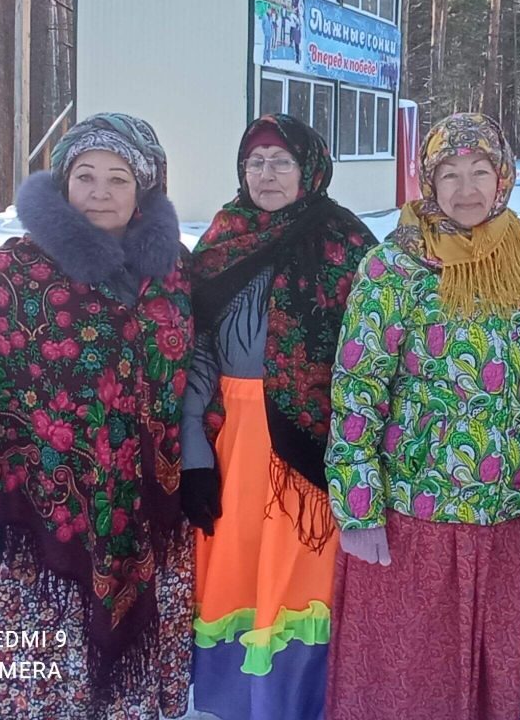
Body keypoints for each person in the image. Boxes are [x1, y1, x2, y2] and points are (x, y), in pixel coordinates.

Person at [0, 113, 195, 719]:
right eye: (85, 175)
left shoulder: (173, 271)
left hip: (144, 509)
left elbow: (196, 375)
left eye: (119, 178)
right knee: (48, 682)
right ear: (62, 182)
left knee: (128, 689)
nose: (99, 192)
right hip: (45, 521)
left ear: (144, 189)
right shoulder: (12, 274)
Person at [324, 113, 520, 720]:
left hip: (513, 513)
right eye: (449, 174)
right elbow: (358, 390)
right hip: (415, 520)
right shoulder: (395, 267)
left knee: (495, 693)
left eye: (480, 171)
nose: (465, 189)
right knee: (408, 690)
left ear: (503, 176)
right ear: (427, 182)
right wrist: (358, 509)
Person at [185, 113, 376, 720]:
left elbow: (370, 352)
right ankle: (235, 699)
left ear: (310, 168)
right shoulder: (220, 238)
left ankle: (297, 700)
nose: (266, 174)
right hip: (232, 435)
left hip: (310, 439)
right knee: (234, 566)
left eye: (280, 162)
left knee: (301, 573)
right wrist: (193, 446)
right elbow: (194, 347)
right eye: (255, 162)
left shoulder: (346, 242)